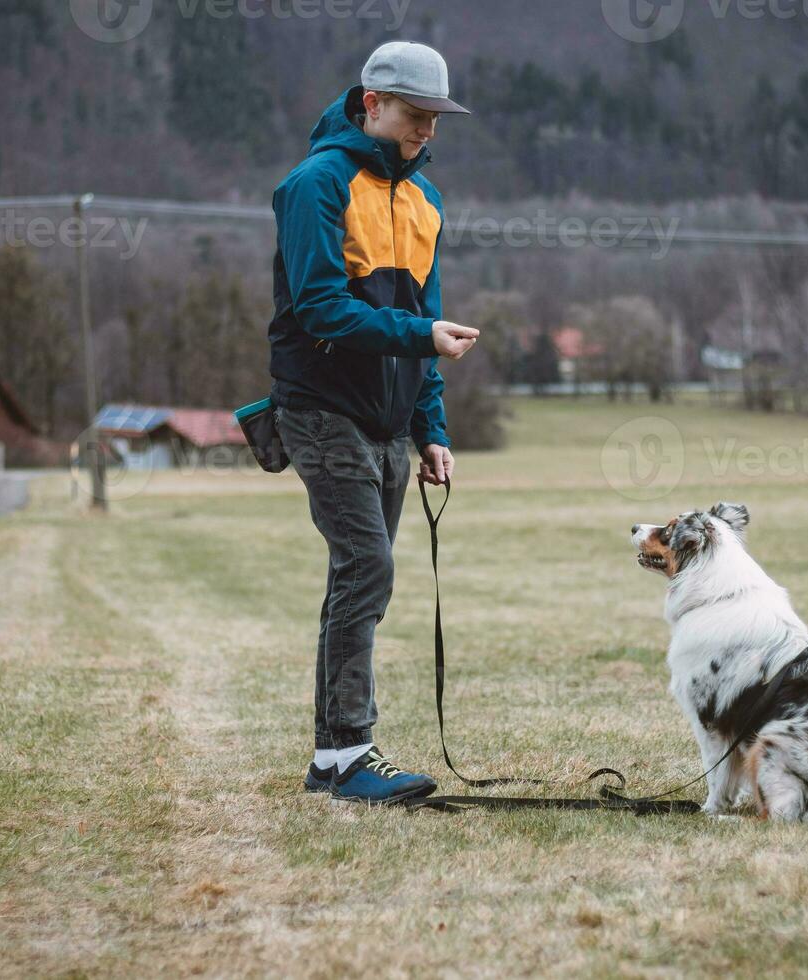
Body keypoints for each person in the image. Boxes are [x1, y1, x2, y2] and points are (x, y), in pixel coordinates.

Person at [268, 42, 480, 805]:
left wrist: (433, 429)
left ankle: (330, 760)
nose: (426, 131)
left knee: (352, 578)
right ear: (371, 104)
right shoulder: (315, 185)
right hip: (320, 410)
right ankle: (355, 752)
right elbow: (323, 308)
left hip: (391, 423)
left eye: (435, 120)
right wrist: (422, 338)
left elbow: (426, 317)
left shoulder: (426, 202)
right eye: (415, 116)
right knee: (368, 568)